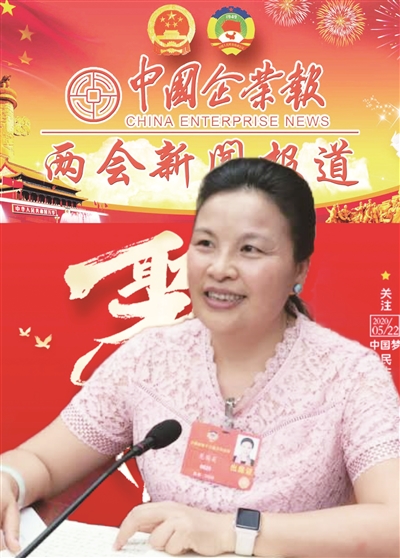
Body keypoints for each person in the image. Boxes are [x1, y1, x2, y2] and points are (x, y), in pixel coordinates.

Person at [1, 158, 399, 557]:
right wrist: (9, 480)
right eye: (206, 243)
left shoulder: (351, 376)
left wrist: (235, 532)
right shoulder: (149, 360)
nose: (220, 268)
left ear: (299, 269)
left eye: (250, 249)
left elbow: (394, 521)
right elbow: (42, 461)